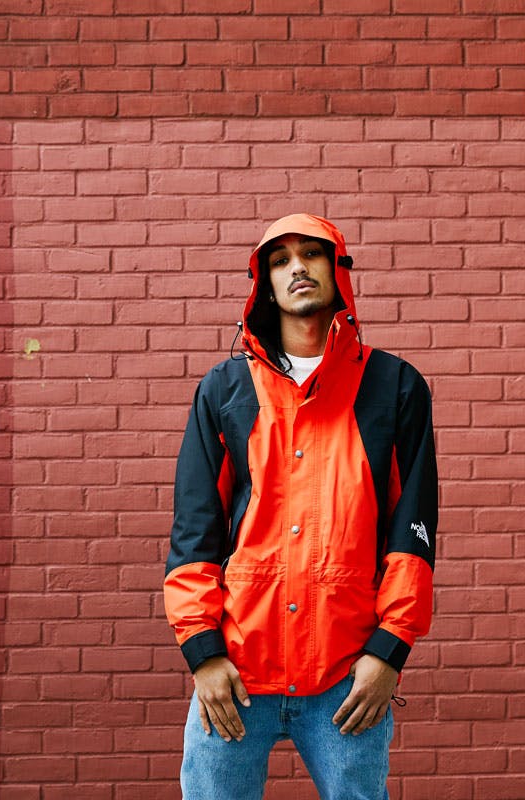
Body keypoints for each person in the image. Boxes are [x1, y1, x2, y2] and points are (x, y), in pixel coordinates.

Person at [164, 213, 438, 799]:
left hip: (347, 674)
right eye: (280, 259)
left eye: (311, 254)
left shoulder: (394, 386)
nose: (297, 268)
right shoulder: (225, 390)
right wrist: (202, 653)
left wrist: (389, 652)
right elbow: (194, 531)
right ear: (264, 282)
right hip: (236, 670)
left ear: (338, 271)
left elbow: (412, 532)